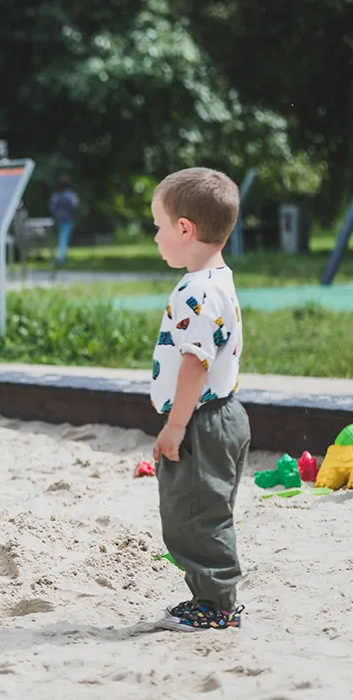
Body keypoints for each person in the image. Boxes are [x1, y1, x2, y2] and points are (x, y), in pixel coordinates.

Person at [148, 167, 249, 632]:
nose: (155, 237)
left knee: (193, 516)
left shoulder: (196, 289)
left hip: (202, 420)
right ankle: (213, 597)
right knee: (208, 508)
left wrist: (176, 425)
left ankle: (216, 606)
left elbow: (195, 363)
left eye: (158, 227)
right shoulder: (220, 278)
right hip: (225, 415)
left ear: (184, 228)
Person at [49, 175, 79, 265]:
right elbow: (75, 205)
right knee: (63, 238)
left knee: (62, 238)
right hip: (67, 219)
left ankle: (62, 256)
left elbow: (52, 207)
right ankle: (61, 258)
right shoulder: (71, 196)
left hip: (59, 219)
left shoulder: (57, 196)